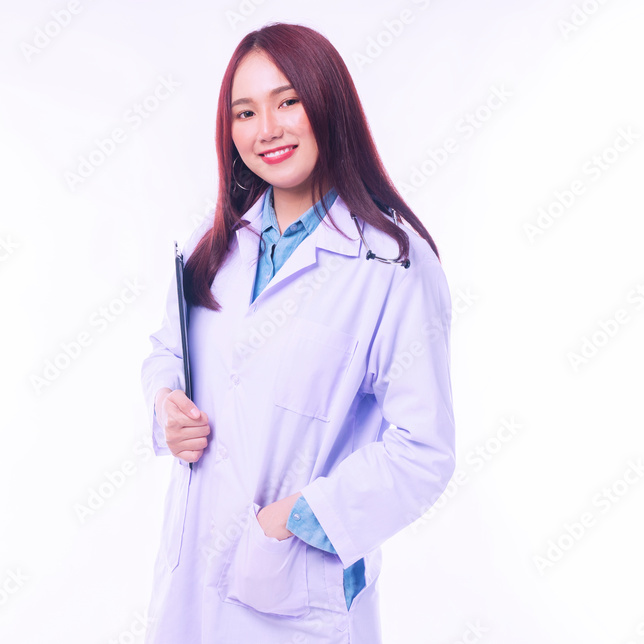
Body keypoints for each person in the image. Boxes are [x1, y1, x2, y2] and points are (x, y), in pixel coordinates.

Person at [140, 22, 456, 643]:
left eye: (288, 101)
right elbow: (167, 351)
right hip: (193, 571)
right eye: (245, 111)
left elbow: (424, 450)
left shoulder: (391, 264)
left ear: (328, 103)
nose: (267, 129)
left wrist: (296, 520)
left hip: (292, 587)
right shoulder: (216, 245)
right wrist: (165, 405)